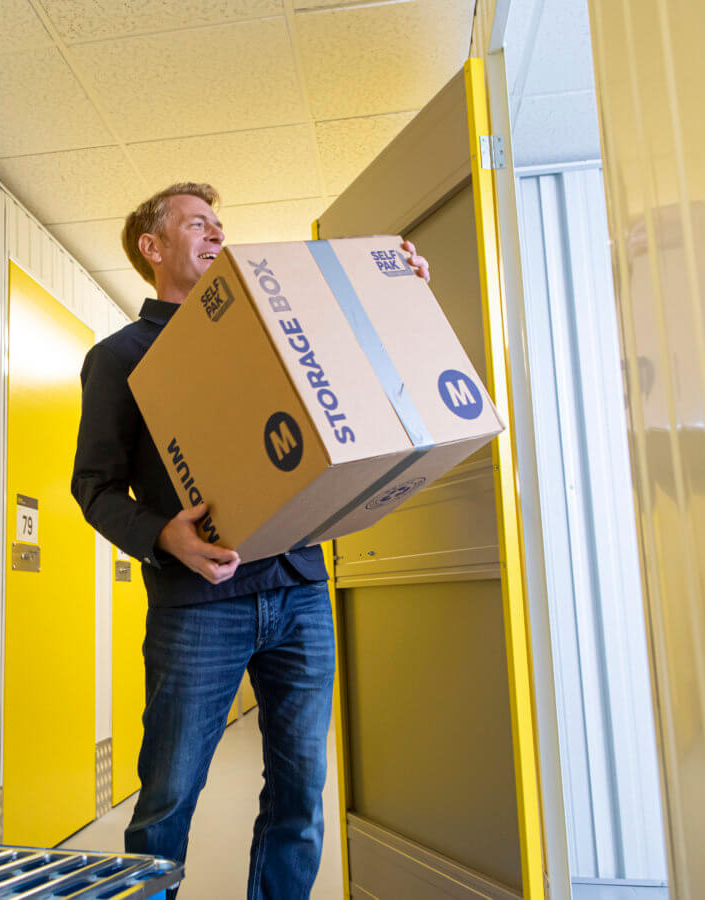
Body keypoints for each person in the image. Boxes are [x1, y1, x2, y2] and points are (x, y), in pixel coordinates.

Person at [71, 182, 430, 899]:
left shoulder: (265, 329)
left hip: (299, 590)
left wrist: (400, 293)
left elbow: (353, 354)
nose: (216, 234)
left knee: (302, 792)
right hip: (199, 602)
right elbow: (95, 489)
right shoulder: (121, 358)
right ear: (153, 246)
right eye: (198, 224)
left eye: (220, 225)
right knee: (168, 798)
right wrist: (162, 536)